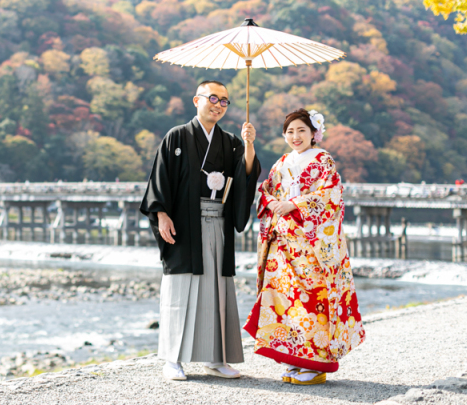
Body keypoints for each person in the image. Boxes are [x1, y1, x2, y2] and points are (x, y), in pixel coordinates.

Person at [140, 80, 260, 381]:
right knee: (180, 290)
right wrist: (162, 214)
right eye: (213, 98)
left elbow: (246, 175)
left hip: (217, 221)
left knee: (216, 292)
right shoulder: (176, 136)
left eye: (224, 101)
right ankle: (172, 359)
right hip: (183, 223)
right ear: (197, 100)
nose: (218, 104)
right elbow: (159, 179)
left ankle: (215, 359)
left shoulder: (232, 142)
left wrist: (249, 145)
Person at [243, 108, 365, 385]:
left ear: (314, 133)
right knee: (288, 302)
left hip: (312, 246)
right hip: (284, 245)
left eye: (301, 130)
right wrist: (273, 203)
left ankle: (317, 362)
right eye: (290, 131)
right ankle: (294, 359)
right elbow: (265, 190)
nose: (295, 136)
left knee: (314, 300)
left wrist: (295, 204)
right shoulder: (282, 162)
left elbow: (330, 196)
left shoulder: (323, 160)